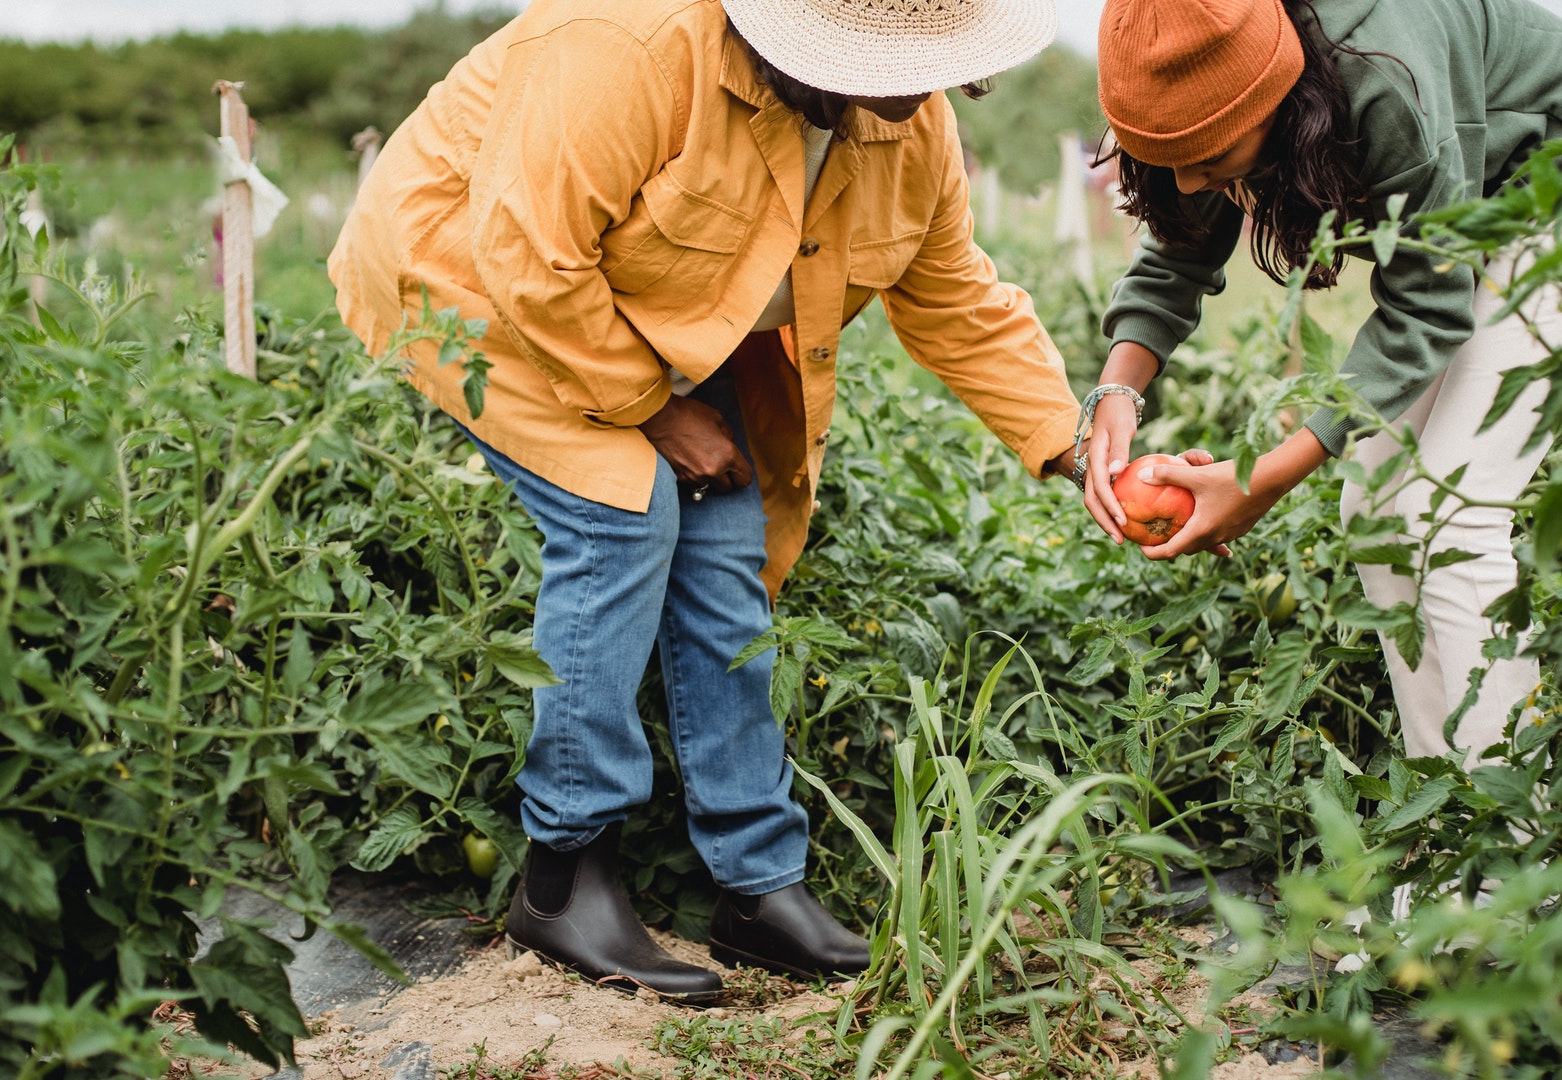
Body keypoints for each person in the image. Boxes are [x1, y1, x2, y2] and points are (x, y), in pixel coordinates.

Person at [329, 0, 1082, 1003]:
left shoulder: (912, 121)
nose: (915, 90)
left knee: (727, 537)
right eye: (888, 60)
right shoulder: (628, 47)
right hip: (473, 280)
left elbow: (953, 298)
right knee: (623, 510)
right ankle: (564, 876)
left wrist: (1077, 448)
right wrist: (654, 411)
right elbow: (530, 258)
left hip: (649, 307)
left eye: (933, 62)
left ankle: (757, 885)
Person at [1076, 0, 1562, 762]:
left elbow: (1427, 304)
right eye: (1164, 153)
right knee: (1373, 505)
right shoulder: (1218, 77)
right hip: (1473, 219)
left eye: (1208, 153)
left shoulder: (1378, 77)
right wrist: (1116, 395)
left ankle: (1513, 853)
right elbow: (1181, 246)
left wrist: (1261, 479)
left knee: (1452, 517)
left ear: (1274, 95)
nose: (1187, 180)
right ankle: (1449, 824)